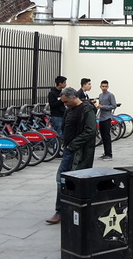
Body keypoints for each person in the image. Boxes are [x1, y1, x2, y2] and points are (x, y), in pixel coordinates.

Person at [46, 87, 98, 224]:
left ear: (73, 98)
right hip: (69, 148)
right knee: (64, 179)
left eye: (65, 102)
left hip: (77, 151)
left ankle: (64, 211)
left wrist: (73, 144)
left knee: (66, 178)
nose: (64, 105)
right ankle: (64, 210)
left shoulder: (86, 109)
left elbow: (90, 130)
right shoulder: (69, 109)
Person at [96, 80, 117, 160]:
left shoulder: (110, 95)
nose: (104, 88)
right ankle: (105, 152)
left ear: (108, 87)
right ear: (100, 87)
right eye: (103, 86)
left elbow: (113, 105)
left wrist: (103, 107)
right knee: (103, 136)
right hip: (101, 117)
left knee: (107, 136)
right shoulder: (100, 95)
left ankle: (109, 153)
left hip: (107, 117)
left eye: (106, 86)